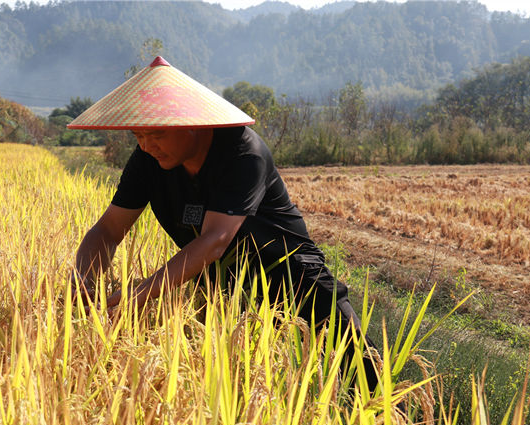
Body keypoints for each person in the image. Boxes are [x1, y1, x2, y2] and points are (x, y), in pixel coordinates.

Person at [70, 57, 377, 389]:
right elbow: (108, 229)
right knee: (232, 387)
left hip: (293, 275)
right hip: (223, 287)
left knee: (359, 370)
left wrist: (139, 293)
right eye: (138, 135)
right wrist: (85, 280)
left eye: (156, 133)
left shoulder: (243, 153)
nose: (146, 145)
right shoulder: (147, 160)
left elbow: (215, 239)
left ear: (193, 123)